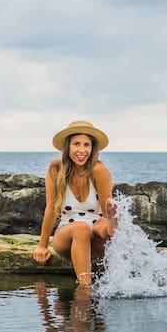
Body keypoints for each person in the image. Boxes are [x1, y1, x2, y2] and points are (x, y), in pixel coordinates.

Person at [32, 121, 118, 285]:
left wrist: (110, 221)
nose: (82, 150)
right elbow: (50, 209)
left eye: (87, 145)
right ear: (67, 147)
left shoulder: (98, 170)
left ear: (93, 149)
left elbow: (107, 213)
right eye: (76, 144)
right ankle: (85, 288)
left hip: (97, 238)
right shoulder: (55, 168)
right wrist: (42, 246)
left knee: (104, 224)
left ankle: (112, 231)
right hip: (68, 233)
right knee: (81, 228)